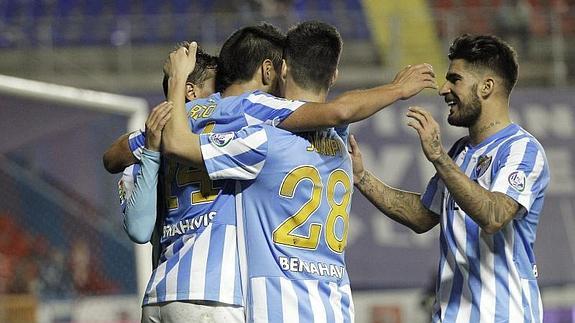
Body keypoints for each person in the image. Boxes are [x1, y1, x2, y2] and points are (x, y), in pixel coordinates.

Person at [349, 34, 550, 323]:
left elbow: (494, 215)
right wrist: (362, 177)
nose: (443, 89)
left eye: (454, 79)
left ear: (486, 87)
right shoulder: (460, 153)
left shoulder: (521, 150)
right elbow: (422, 215)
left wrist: (438, 156)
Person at [164, 20, 353, 322]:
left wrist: (177, 83)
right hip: (333, 304)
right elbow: (339, 111)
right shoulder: (336, 140)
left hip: (188, 286)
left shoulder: (258, 137)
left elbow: (119, 153)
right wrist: (397, 89)